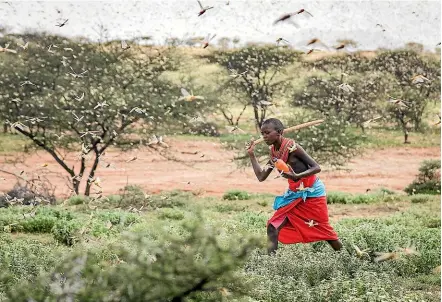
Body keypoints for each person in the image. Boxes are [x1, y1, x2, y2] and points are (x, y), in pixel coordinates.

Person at [246, 118, 343, 255]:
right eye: (262, 133)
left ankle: (348, 258)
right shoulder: (274, 153)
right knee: (273, 226)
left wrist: (297, 176)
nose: (264, 136)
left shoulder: (293, 147)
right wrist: (251, 155)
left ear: (279, 132)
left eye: (267, 133)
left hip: (312, 193)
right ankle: (270, 266)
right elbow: (261, 177)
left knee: (324, 231)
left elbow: (316, 167)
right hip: (294, 194)